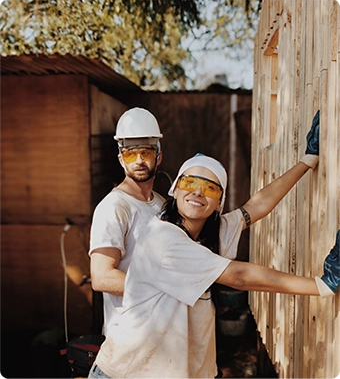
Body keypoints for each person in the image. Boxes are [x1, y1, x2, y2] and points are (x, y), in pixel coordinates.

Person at [87, 151, 339, 379]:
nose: (198, 192)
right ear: (175, 189)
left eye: (210, 188)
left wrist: (307, 161)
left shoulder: (208, 233)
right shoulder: (163, 239)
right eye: (190, 183)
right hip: (127, 373)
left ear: (219, 203)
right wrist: (321, 285)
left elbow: (255, 207)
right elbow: (239, 276)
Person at [89, 107, 165, 335]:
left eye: (146, 152)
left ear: (158, 156)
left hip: (159, 331)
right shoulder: (113, 208)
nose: (139, 160)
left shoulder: (161, 205)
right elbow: (102, 277)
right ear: (121, 159)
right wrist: (165, 289)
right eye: (131, 154)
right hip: (127, 336)